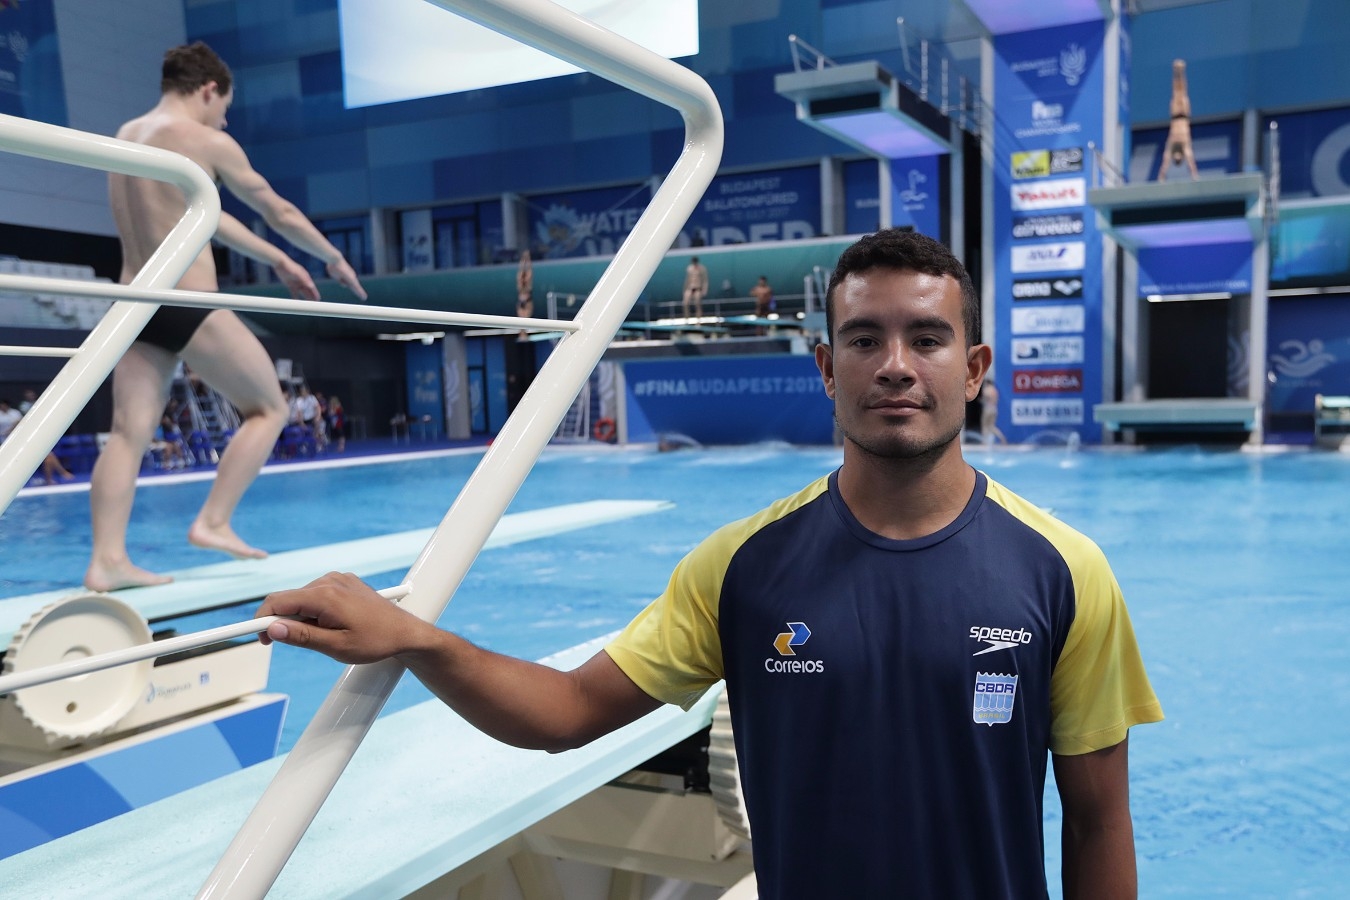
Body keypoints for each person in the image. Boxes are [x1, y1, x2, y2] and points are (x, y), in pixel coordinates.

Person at [256, 230, 1162, 899]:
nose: (894, 366)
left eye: (925, 339)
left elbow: (1099, 821)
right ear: (824, 366)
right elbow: (567, 713)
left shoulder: (1062, 571)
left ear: (972, 369)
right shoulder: (740, 568)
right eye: (863, 340)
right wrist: (416, 642)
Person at [83, 42, 367, 593]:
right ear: (209, 88)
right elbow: (276, 209)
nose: (226, 118)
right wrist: (329, 256)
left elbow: (199, 217)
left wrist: (279, 259)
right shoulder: (206, 140)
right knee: (269, 407)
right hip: (187, 299)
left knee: (128, 433)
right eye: (225, 105)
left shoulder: (126, 133)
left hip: (133, 299)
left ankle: (107, 560)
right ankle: (213, 521)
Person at [1158, 58, 1199, 182]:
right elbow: (1190, 159)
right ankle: (1181, 71)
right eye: (1178, 159)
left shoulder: (1171, 144)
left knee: (1176, 92)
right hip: (1184, 116)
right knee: (1183, 92)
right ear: (1181, 158)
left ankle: (1176, 71)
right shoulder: (1185, 146)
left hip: (1175, 117)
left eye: (1174, 159)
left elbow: (1165, 161)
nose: (1176, 157)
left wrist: (1161, 176)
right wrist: (1194, 175)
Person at [681, 255, 708, 322]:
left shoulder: (702, 268)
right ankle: (686, 319)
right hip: (690, 288)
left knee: (697, 304)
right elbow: (687, 279)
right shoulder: (689, 268)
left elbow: (705, 280)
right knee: (685, 303)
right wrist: (684, 289)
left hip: (698, 288)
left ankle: (698, 321)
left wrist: (704, 290)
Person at [515, 249, 533, 341]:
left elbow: (529, 271)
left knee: (523, 320)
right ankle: (522, 335)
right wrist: (524, 258)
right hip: (523, 302)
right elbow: (521, 270)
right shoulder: (520, 282)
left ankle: (523, 334)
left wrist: (527, 258)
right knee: (522, 320)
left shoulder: (528, 283)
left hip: (526, 301)